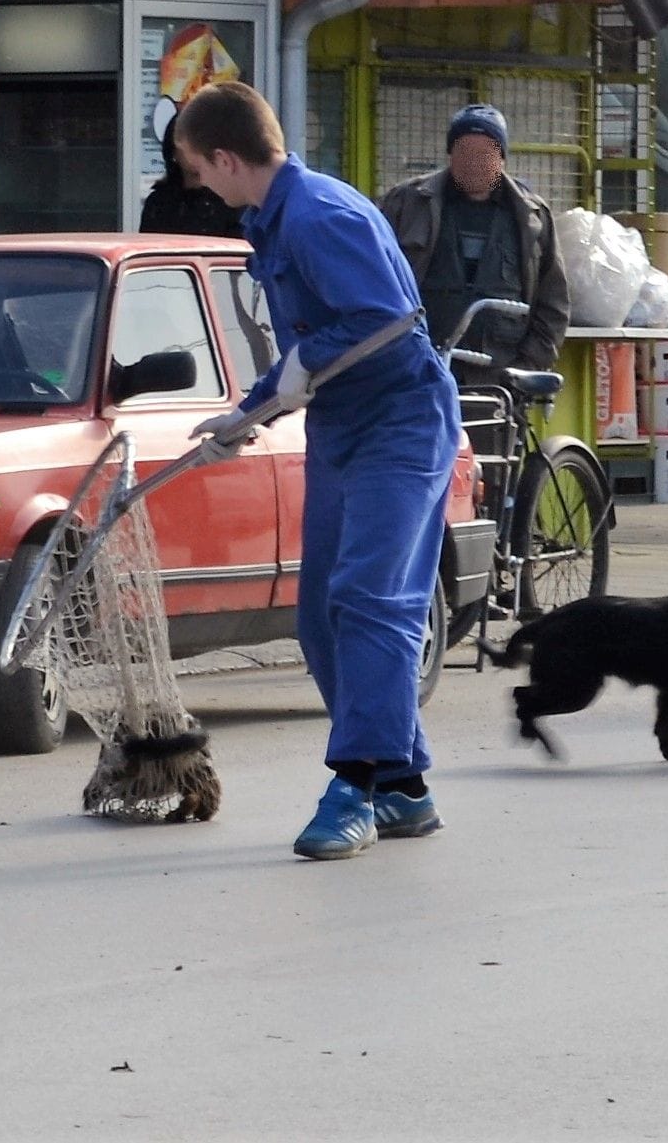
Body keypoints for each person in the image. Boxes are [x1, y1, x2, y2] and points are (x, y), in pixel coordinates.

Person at [174, 81, 461, 861]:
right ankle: (403, 784)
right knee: (323, 615)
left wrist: (303, 366)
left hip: (401, 422)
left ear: (226, 159)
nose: (202, 186)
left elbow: (384, 318)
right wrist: (246, 414)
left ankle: (355, 783)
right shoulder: (278, 218)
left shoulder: (318, 214)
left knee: (370, 599)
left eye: (199, 170)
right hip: (344, 423)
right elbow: (314, 345)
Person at [379, 103, 569, 381]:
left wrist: (526, 368)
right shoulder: (408, 203)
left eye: (485, 154)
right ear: (450, 155)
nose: (474, 163)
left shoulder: (532, 215)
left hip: (499, 374)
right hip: (420, 368)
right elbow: (375, 278)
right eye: (465, 152)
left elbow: (553, 302)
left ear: (502, 159)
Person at [139, 112, 243, 239]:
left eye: (204, 145)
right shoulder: (159, 203)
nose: (198, 154)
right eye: (190, 146)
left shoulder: (231, 199)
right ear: (173, 152)